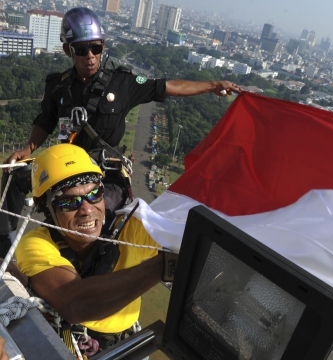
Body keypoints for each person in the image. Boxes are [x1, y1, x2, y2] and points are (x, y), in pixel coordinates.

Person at [0, 6, 242, 255]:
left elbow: (166, 86)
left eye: (96, 47)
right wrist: (28, 148)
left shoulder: (122, 83)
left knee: (97, 224)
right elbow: (45, 120)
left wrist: (213, 85)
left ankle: (95, 268)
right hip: (66, 168)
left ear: (103, 46)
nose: (90, 56)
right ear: (67, 50)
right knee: (14, 173)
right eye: (82, 50)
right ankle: (3, 242)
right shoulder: (58, 87)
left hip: (105, 174)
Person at [14, 143, 167, 355]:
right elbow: (74, 303)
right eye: (69, 202)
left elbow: (182, 234)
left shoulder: (129, 229)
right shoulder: (36, 244)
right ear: (48, 210)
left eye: (95, 194)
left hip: (129, 340)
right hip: (77, 343)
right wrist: (165, 266)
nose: (87, 209)